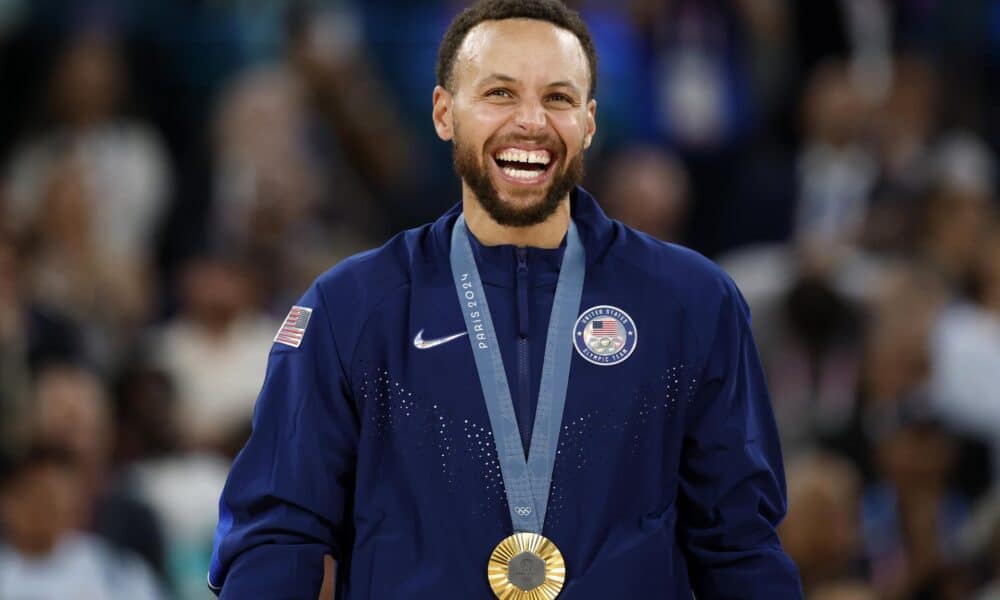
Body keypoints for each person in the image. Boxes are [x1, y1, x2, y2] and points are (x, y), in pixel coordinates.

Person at [208, 1, 801, 598]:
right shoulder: (353, 308)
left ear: (590, 122)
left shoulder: (690, 303)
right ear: (445, 113)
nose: (531, 122)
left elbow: (740, 545)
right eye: (499, 94)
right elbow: (278, 534)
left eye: (559, 99)